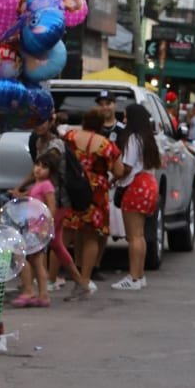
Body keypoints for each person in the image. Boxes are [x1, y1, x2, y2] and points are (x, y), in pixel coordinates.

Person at [62, 109, 125, 296]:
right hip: (95, 192)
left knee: (64, 235)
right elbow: (119, 171)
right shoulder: (106, 145)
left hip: (72, 188)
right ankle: (85, 279)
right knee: (91, 235)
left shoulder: (70, 137)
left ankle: (51, 277)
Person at [19, 111, 80, 289]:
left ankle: (40, 286)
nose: (39, 125)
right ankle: (78, 282)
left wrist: (24, 189)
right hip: (45, 201)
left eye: (42, 122)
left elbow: (45, 166)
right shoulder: (39, 141)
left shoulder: (56, 145)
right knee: (55, 244)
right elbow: (37, 170)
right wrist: (21, 187)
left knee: (38, 245)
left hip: (57, 201)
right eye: (35, 122)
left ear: (51, 121)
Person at [112, 103, 161, 291]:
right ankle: (139, 276)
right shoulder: (148, 139)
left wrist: (113, 176)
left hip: (135, 187)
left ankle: (132, 277)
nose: (124, 121)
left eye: (125, 117)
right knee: (139, 235)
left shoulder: (132, 139)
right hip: (148, 185)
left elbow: (126, 168)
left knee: (133, 237)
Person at [11, 152, 60, 308]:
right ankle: (43, 295)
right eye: (37, 165)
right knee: (37, 262)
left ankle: (28, 291)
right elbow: (30, 198)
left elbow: (52, 206)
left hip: (37, 229)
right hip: (33, 228)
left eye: (44, 167)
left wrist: (46, 224)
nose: (39, 169)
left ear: (51, 172)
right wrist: (19, 195)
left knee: (20, 256)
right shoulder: (37, 185)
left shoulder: (46, 185)